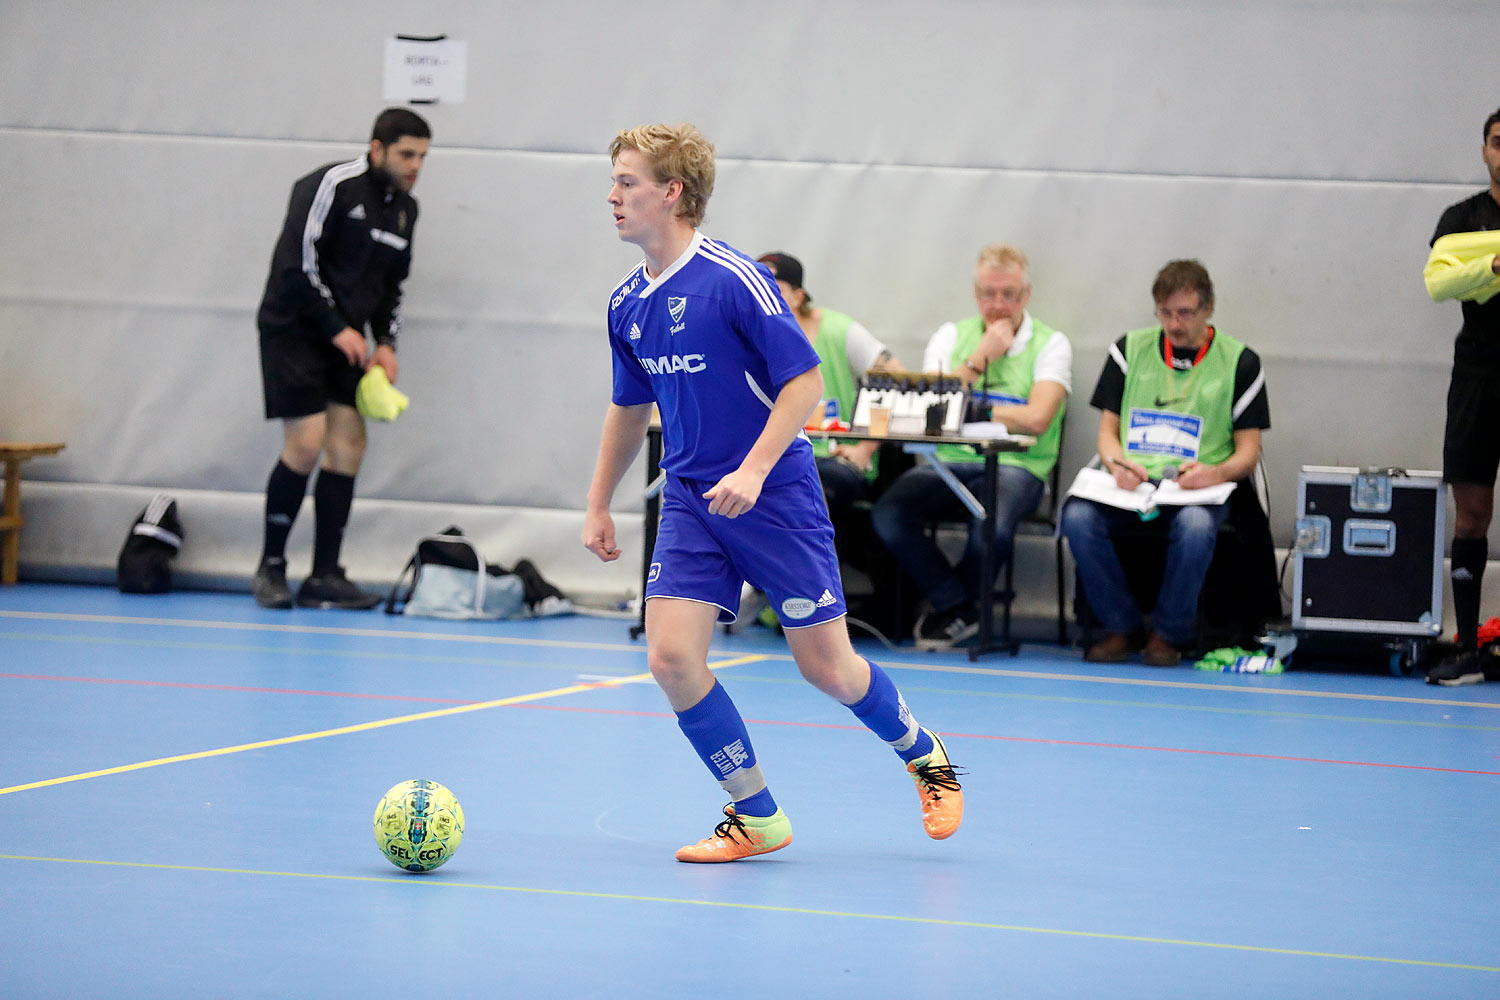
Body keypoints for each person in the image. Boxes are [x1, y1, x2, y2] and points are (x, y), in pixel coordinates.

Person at [583, 122, 963, 863]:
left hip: (774, 490)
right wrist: (599, 501)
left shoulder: (735, 278)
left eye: (626, 182)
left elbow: (805, 383)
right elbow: (629, 406)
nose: (613, 196)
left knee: (827, 668)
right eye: (614, 182)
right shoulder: (625, 303)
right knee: (669, 658)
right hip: (695, 498)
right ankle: (755, 815)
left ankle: (926, 755)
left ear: (672, 192)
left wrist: (753, 470)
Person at [250, 108, 431, 610]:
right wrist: (337, 329)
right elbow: (296, 264)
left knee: (348, 446)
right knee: (306, 444)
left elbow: (393, 287)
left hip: (347, 341)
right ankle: (271, 567)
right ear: (377, 149)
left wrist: (386, 344)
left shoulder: (405, 211)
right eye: (406, 154)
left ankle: (325, 574)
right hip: (295, 332)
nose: (416, 164)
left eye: (422, 156)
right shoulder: (330, 185)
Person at [1059, 260, 1270, 666]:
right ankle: (1121, 626)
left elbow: (1248, 453)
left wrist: (1216, 472)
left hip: (1198, 488)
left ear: (1208, 309)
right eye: (1165, 313)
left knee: (1195, 527)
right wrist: (1117, 463)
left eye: (1186, 313)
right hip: (1134, 485)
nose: (1175, 324)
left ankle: (1168, 635)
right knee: (1078, 517)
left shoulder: (1241, 362)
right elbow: (1108, 433)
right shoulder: (1128, 350)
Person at [870, 244, 1071, 649]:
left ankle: (956, 611)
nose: (998, 305)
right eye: (989, 294)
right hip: (949, 462)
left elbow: (1037, 418)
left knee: (990, 525)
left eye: (1009, 295)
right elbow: (932, 406)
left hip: (1020, 467)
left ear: (1025, 296)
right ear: (976, 296)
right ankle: (960, 606)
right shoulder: (952, 336)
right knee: (890, 512)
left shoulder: (1051, 344)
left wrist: (969, 405)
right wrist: (980, 358)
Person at [1422, 105, 1500, 685]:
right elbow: (1439, 282)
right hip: (1477, 378)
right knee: (1471, 513)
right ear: (1484, 150)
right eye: (1499, 141)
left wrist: (1481, 268)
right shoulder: (1462, 217)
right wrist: (1494, 264)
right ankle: (1470, 648)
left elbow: (1460, 274)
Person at [756, 252, 902, 520]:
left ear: (799, 298)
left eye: (774, 291)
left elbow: (898, 381)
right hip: (772, 455)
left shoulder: (839, 331)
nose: (763, 300)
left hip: (834, 457)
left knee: (807, 493)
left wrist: (865, 448)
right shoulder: (749, 337)